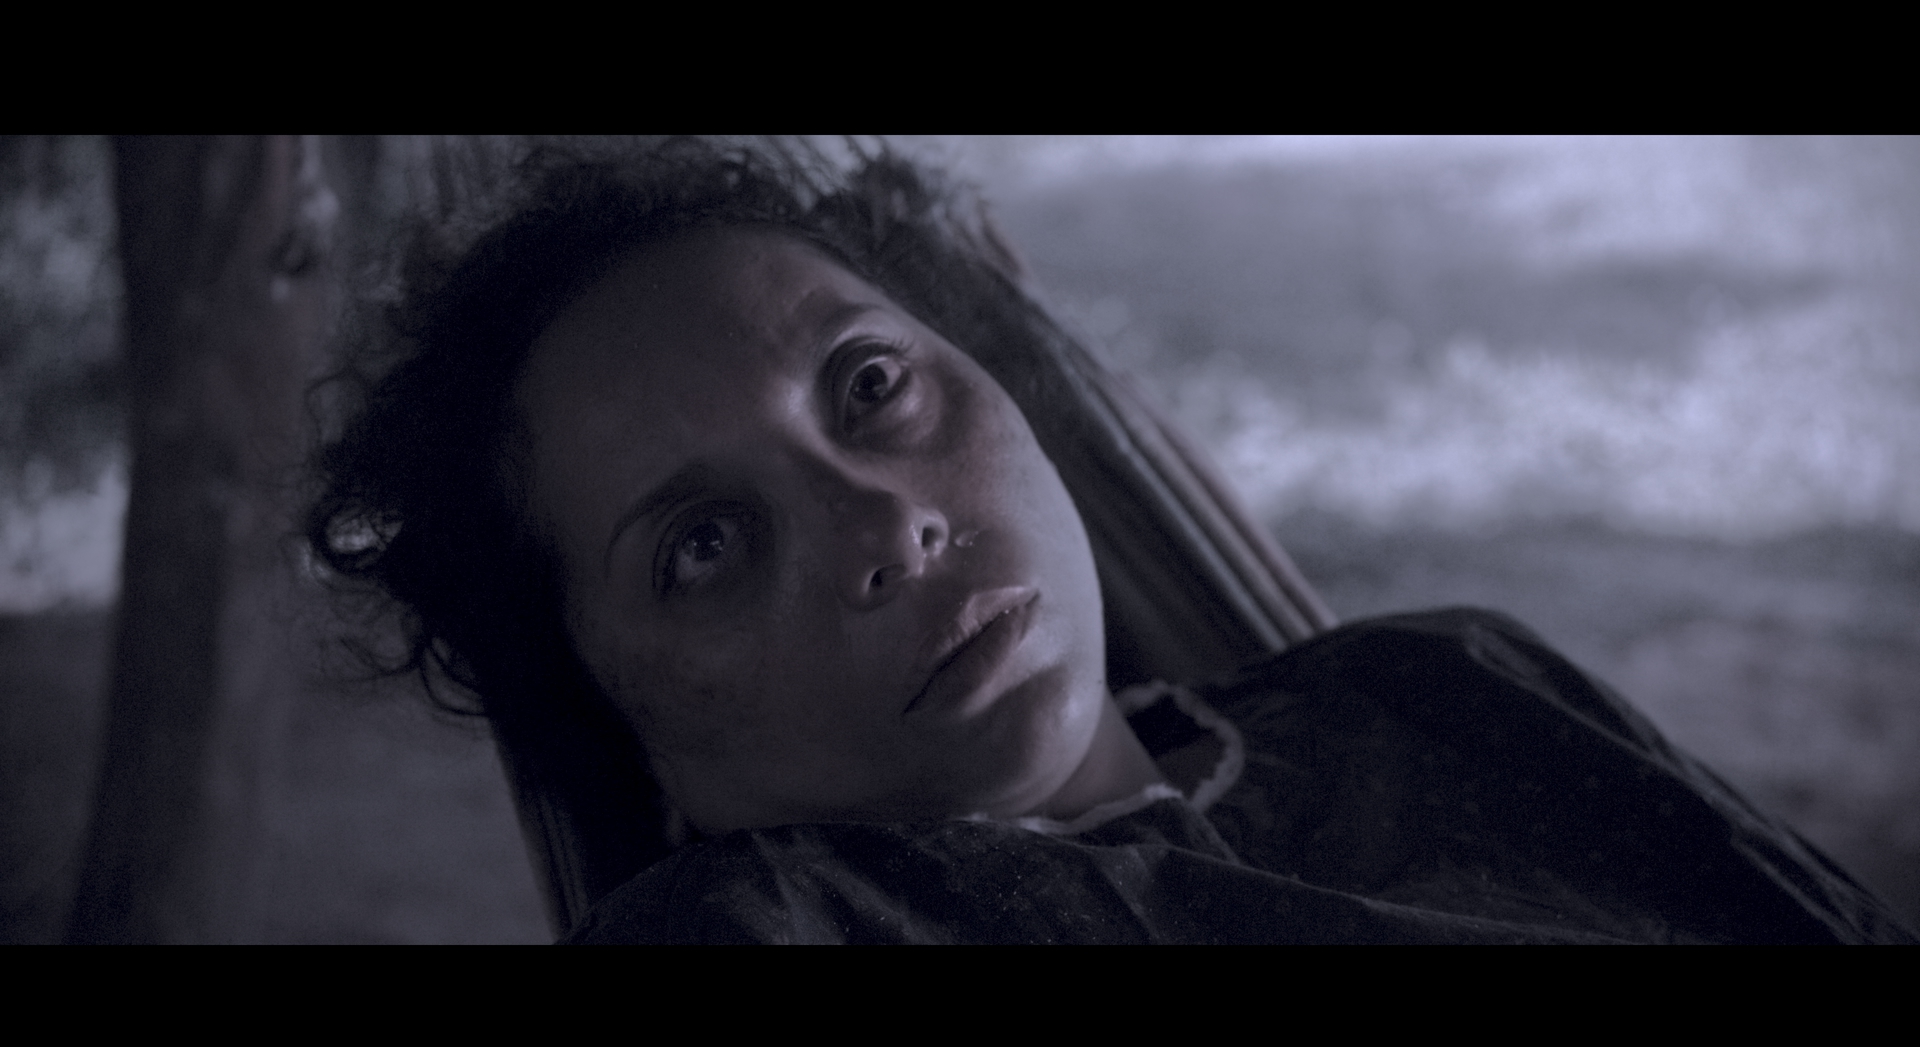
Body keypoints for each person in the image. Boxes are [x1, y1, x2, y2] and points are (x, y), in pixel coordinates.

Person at [307, 139, 1912, 943]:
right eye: (707, 546)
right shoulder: (781, 926)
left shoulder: (1450, 689)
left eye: (870, 387)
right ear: (609, 719)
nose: (884, 522)